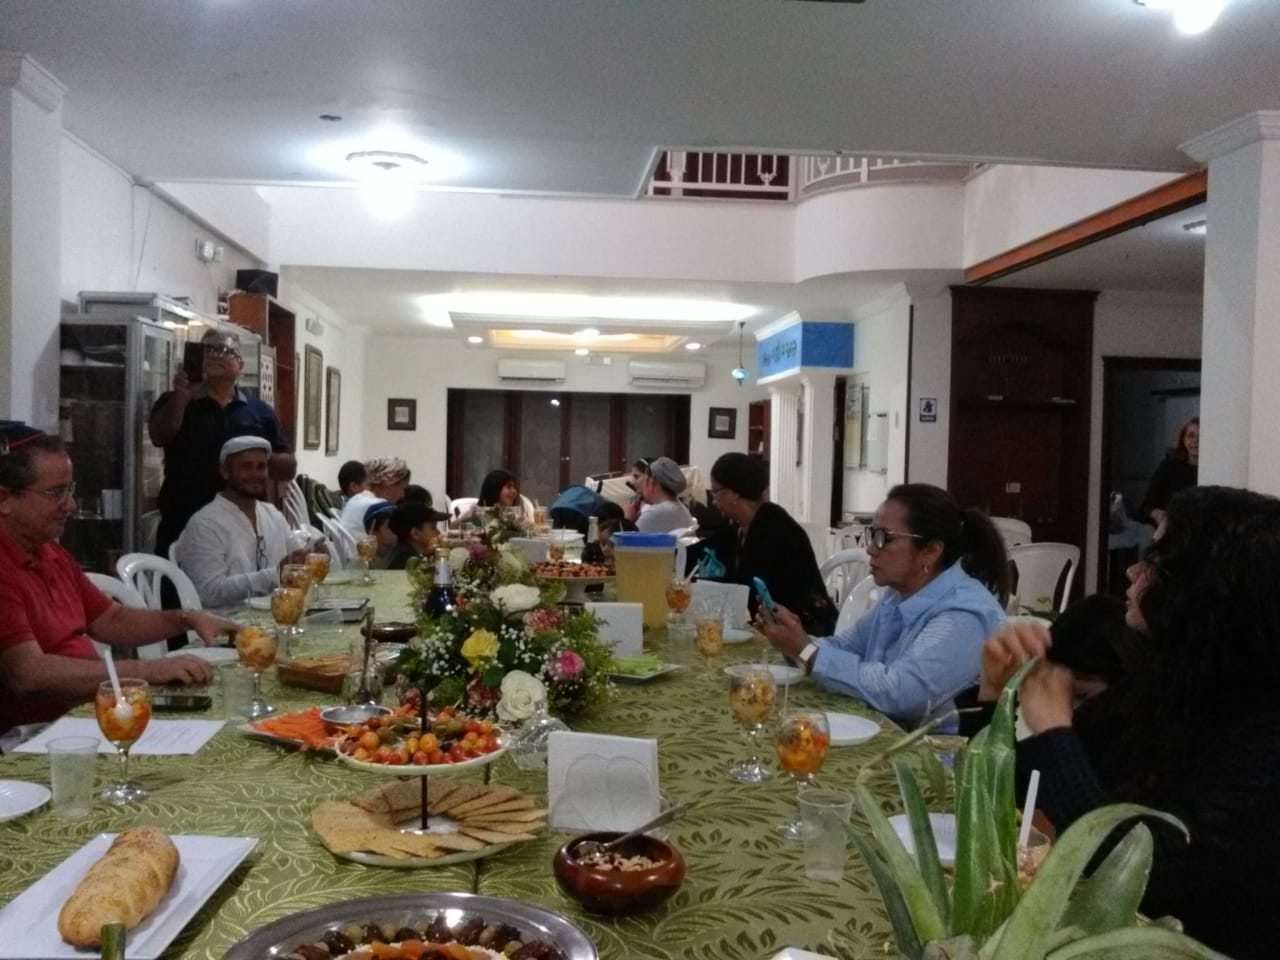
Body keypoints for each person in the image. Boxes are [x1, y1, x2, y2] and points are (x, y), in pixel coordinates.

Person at [979, 486, 1280, 959]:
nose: (1133, 572)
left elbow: (1140, 869)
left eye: (1155, 563)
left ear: (1207, 588)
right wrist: (997, 699)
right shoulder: (1166, 684)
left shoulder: (1262, 742)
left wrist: (1053, 729)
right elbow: (1020, 790)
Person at [0, 426, 236, 734]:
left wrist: (188, 618)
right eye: (56, 494)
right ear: (4, 498)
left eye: (70, 490)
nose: (70, 505)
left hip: (88, 716)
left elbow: (110, 619)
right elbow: (29, 674)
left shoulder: (49, 552)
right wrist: (146, 671)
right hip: (35, 735)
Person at [759, 483, 1008, 729]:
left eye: (883, 538)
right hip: (890, 730)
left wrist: (806, 651)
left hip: (936, 749)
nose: (870, 549)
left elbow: (902, 693)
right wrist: (794, 640)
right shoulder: (898, 594)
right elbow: (846, 647)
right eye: (872, 535)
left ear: (930, 551)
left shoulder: (964, 615)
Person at [148, 328, 295, 559]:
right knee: (177, 582)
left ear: (240, 364)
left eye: (223, 350)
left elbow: (288, 468)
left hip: (243, 526)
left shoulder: (259, 412)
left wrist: (251, 457)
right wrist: (183, 395)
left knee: (246, 580)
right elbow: (160, 436)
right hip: (182, 520)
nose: (213, 355)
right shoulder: (175, 401)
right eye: (206, 350)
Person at [695, 452, 837, 637]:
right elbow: (703, 550)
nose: (713, 500)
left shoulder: (773, 527)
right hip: (773, 626)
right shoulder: (742, 526)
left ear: (734, 493)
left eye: (715, 491)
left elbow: (747, 589)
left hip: (804, 631)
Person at [173, 437, 298, 608]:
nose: (255, 474)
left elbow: (296, 556)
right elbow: (208, 592)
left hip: (278, 615)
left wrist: (311, 552)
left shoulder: (272, 514)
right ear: (225, 472)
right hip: (223, 622)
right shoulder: (204, 523)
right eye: (246, 467)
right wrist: (274, 575)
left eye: (261, 467)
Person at [1139, 416, 1198, 528]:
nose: (1196, 440)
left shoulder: (1214, 471)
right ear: (1183, 440)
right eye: (1191, 436)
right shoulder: (1168, 467)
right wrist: (1156, 514)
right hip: (1170, 528)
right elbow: (1146, 507)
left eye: (1201, 436)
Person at [339, 457, 411, 537]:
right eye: (403, 489)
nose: (402, 495)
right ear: (390, 484)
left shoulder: (355, 499)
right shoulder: (380, 507)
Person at [626, 457, 694, 534]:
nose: (632, 482)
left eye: (646, 479)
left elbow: (625, 540)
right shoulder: (679, 507)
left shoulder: (655, 513)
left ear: (652, 480)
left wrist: (626, 519)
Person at [384, 500, 450, 570]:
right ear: (415, 533)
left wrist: (427, 554)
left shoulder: (404, 553)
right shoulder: (406, 561)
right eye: (433, 528)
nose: (438, 532)